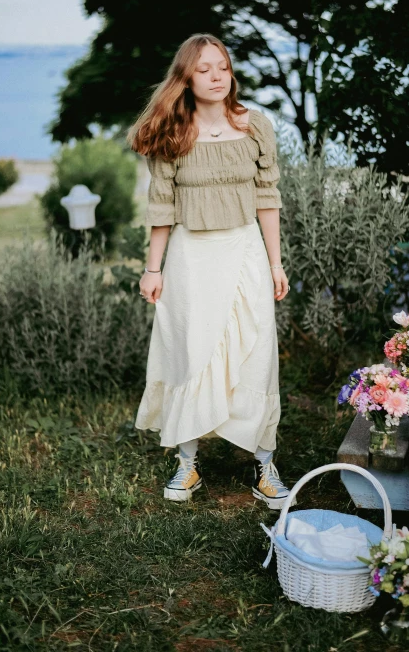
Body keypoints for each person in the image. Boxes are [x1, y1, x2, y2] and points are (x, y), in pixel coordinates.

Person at [127, 33, 296, 511]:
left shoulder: (256, 126)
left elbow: (268, 198)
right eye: (205, 69)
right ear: (186, 77)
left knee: (257, 352)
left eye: (222, 66)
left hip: (244, 252)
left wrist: (275, 261)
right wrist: (152, 268)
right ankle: (188, 461)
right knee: (191, 352)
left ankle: (264, 462)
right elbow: (161, 207)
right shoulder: (172, 133)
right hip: (190, 258)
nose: (218, 76)